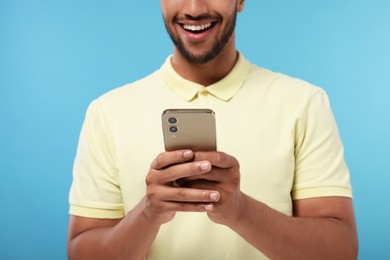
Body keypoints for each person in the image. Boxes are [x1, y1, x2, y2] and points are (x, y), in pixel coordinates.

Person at [67, 0, 358, 259]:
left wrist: (241, 211)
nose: (194, 9)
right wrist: (149, 213)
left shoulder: (304, 103)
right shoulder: (107, 113)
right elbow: (82, 253)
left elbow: (341, 250)